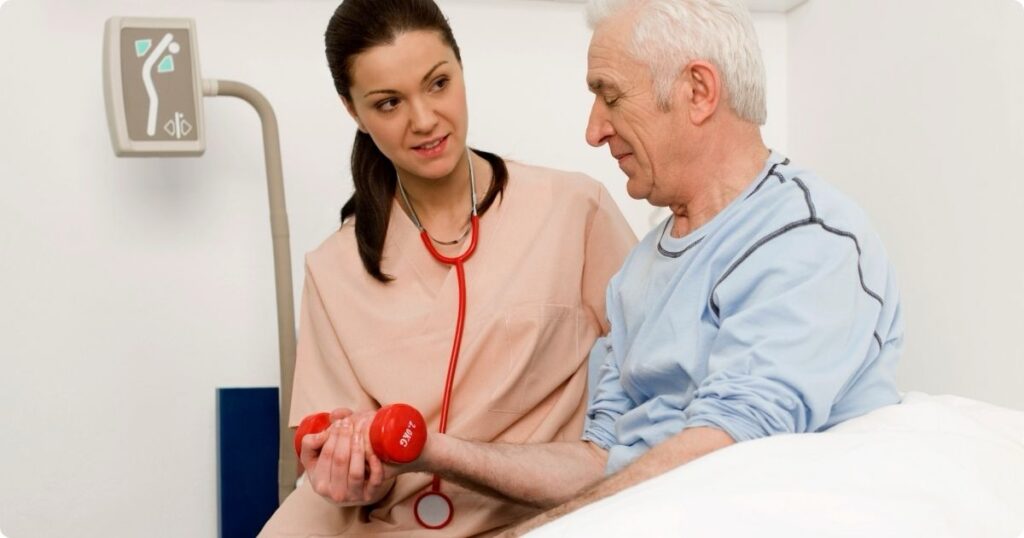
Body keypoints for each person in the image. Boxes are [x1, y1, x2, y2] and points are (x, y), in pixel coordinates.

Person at [380, 0, 905, 534]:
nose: (594, 130)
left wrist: (537, 532)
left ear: (698, 92)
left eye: (610, 95)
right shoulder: (639, 271)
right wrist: (435, 452)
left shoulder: (808, 238)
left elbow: (732, 449)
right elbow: (599, 461)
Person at [259, 0, 636, 535]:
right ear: (354, 113)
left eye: (438, 84)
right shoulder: (334, 266)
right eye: (388, 103)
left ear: (461, 70)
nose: (424, 120)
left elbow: (663, 365)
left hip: (533, 519)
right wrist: (349, 471)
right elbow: (327, 452)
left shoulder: (574, 210)